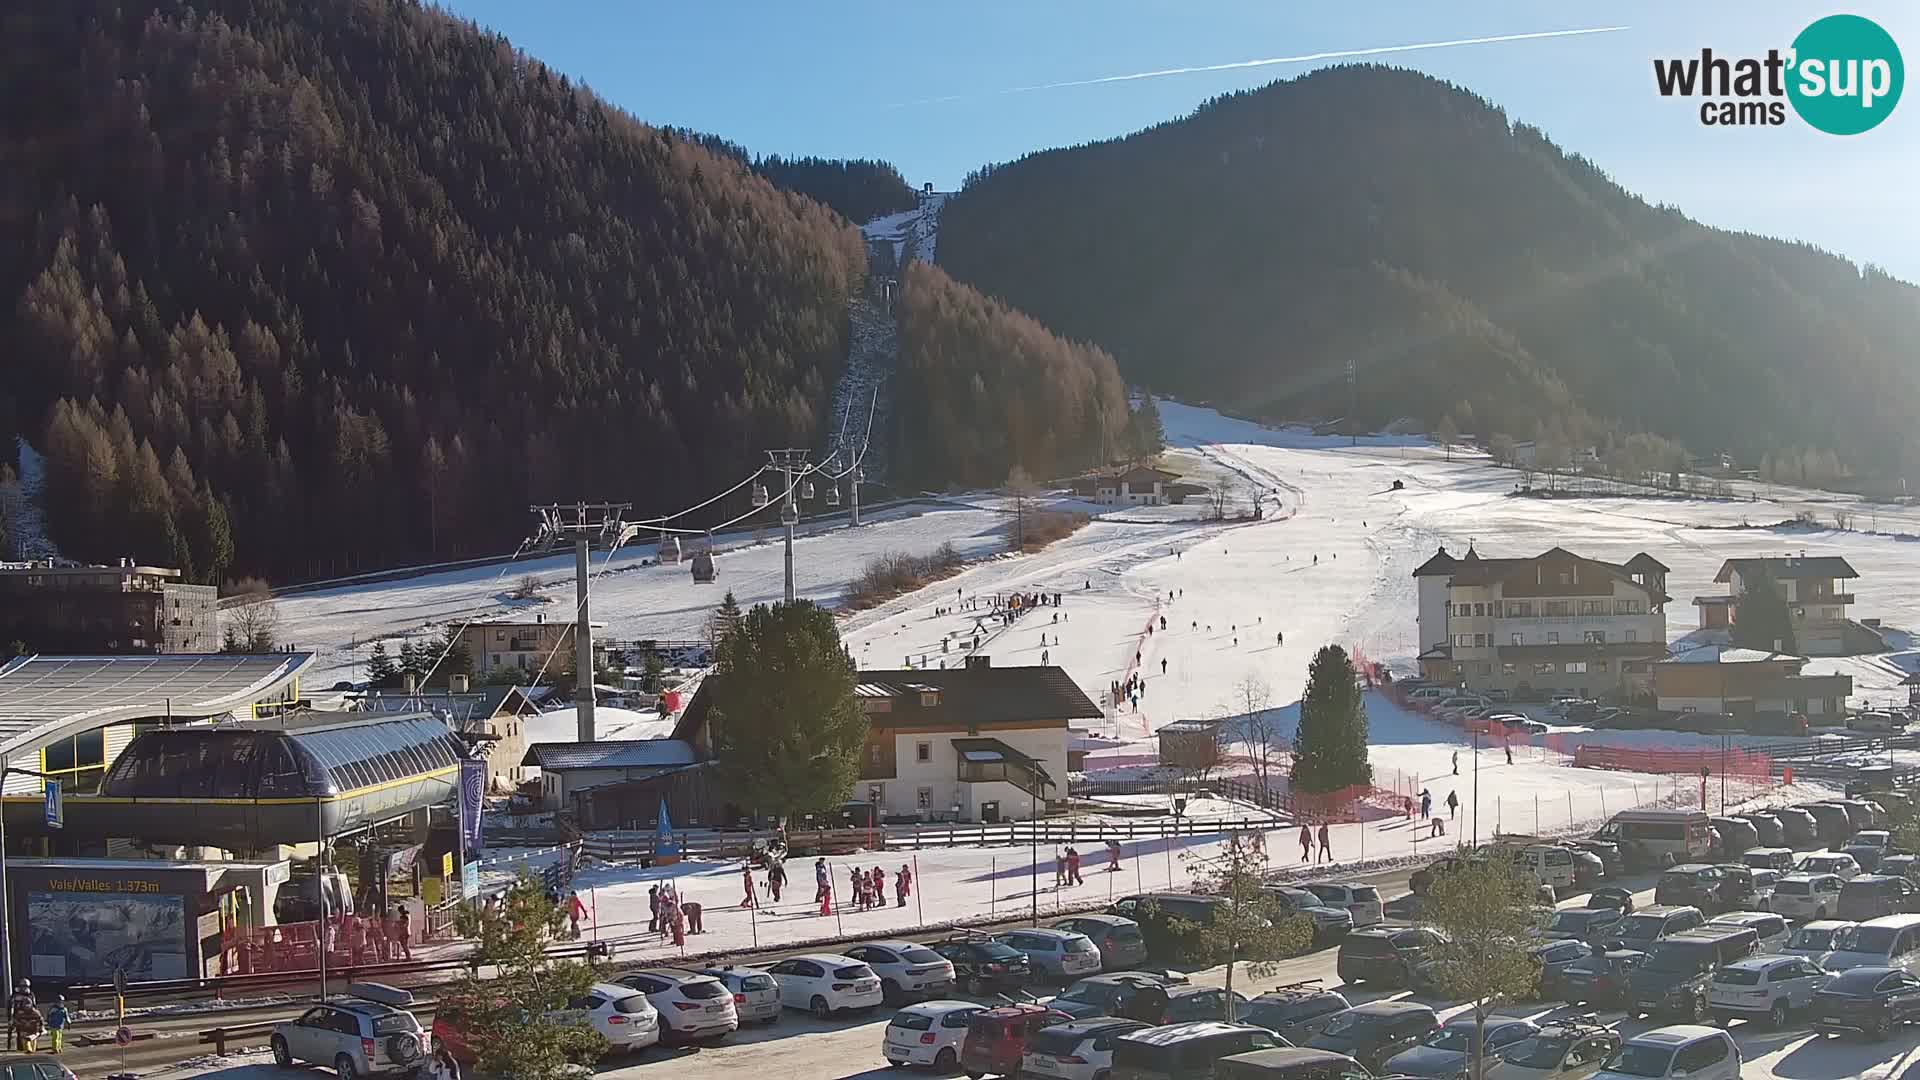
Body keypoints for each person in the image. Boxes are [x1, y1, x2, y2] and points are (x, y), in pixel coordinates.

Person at [9, 981, 40, 1053]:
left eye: (26, 986)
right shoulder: (16, 995)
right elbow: (11, 1006)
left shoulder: (31, 994)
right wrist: (11, 1018)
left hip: (29, 1015)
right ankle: (22, 1047)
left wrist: (35, 1015)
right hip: (19, 1016)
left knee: (32, 1032)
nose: (24, 988)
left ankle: (31, 1047)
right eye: (23, 986)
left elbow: (34, 1005)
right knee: (20, 1032)